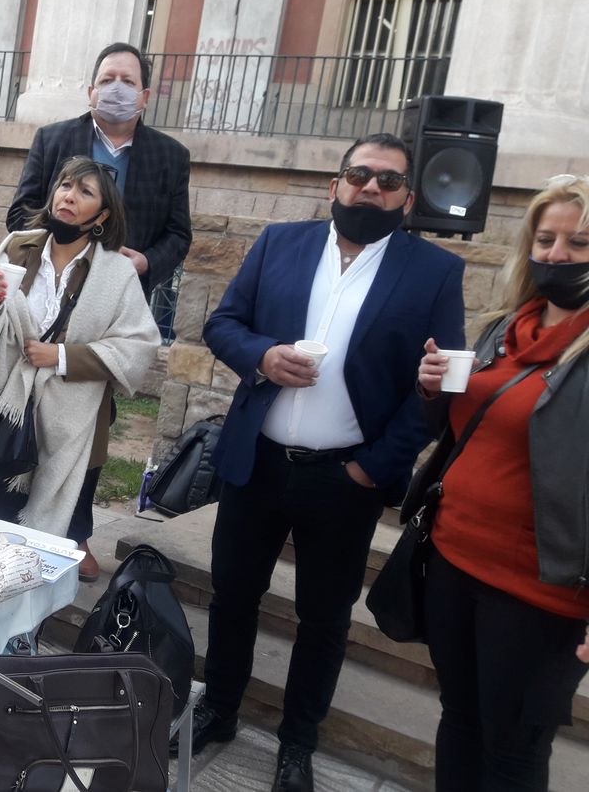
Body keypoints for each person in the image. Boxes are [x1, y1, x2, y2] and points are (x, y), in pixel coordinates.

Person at [195, 132, 466, 791]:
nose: (371, 187)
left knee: (323, 620)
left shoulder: (433, 272)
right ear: (335, 184)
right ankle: (218, 710)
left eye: (388, 181)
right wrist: (262, 357)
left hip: (344, 479)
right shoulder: (279, 243)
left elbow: (437, 388)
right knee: (233, 596)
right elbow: (222, 324)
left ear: (407, 200)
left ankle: (297, 744)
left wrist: (372, 469)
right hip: (258, 463)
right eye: (359, 174)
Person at [415, 174, 589, 791]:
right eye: (546, 239)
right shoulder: (502, 329)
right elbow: (464, 431)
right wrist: (434, 390)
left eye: (579, 243)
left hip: (537, 593)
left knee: (513, 752)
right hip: (454, 560)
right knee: (460, 719)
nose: (557, 255)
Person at [0, 157, 159, 580]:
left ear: (102, 216)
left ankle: (53, 579)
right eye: (66, 186)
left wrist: (61, 357)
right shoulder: (18, 248)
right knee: (10, 517)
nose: (69, 196)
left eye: (85, 192)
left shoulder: (117, 272)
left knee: (65, 521)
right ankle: (12, 584)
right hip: (13, 405)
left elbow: (139, 345)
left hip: (79, 418)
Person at [6, 42, 191, 295]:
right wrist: (60, 248)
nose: (117, 88)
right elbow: (20, 214)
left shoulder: (171, 156)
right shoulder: (51, 141)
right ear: (91, 92)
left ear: (145, 97)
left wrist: (146, 262)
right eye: (107, 80)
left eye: (128, 81)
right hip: (49, 284)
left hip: (122, 292)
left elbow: (178, 235)